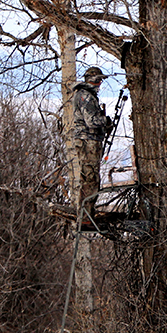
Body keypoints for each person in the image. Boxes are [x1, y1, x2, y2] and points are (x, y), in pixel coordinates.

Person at [73, 66, 113, 223]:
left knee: (90, 177)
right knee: (90, 178)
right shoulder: (86, 96)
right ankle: (86, 216)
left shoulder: (85, 95)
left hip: (90, 140)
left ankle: (87, 213)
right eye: (99, 80)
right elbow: (91, 121)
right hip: (88, 141)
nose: (100, 83)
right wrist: (106, 120)